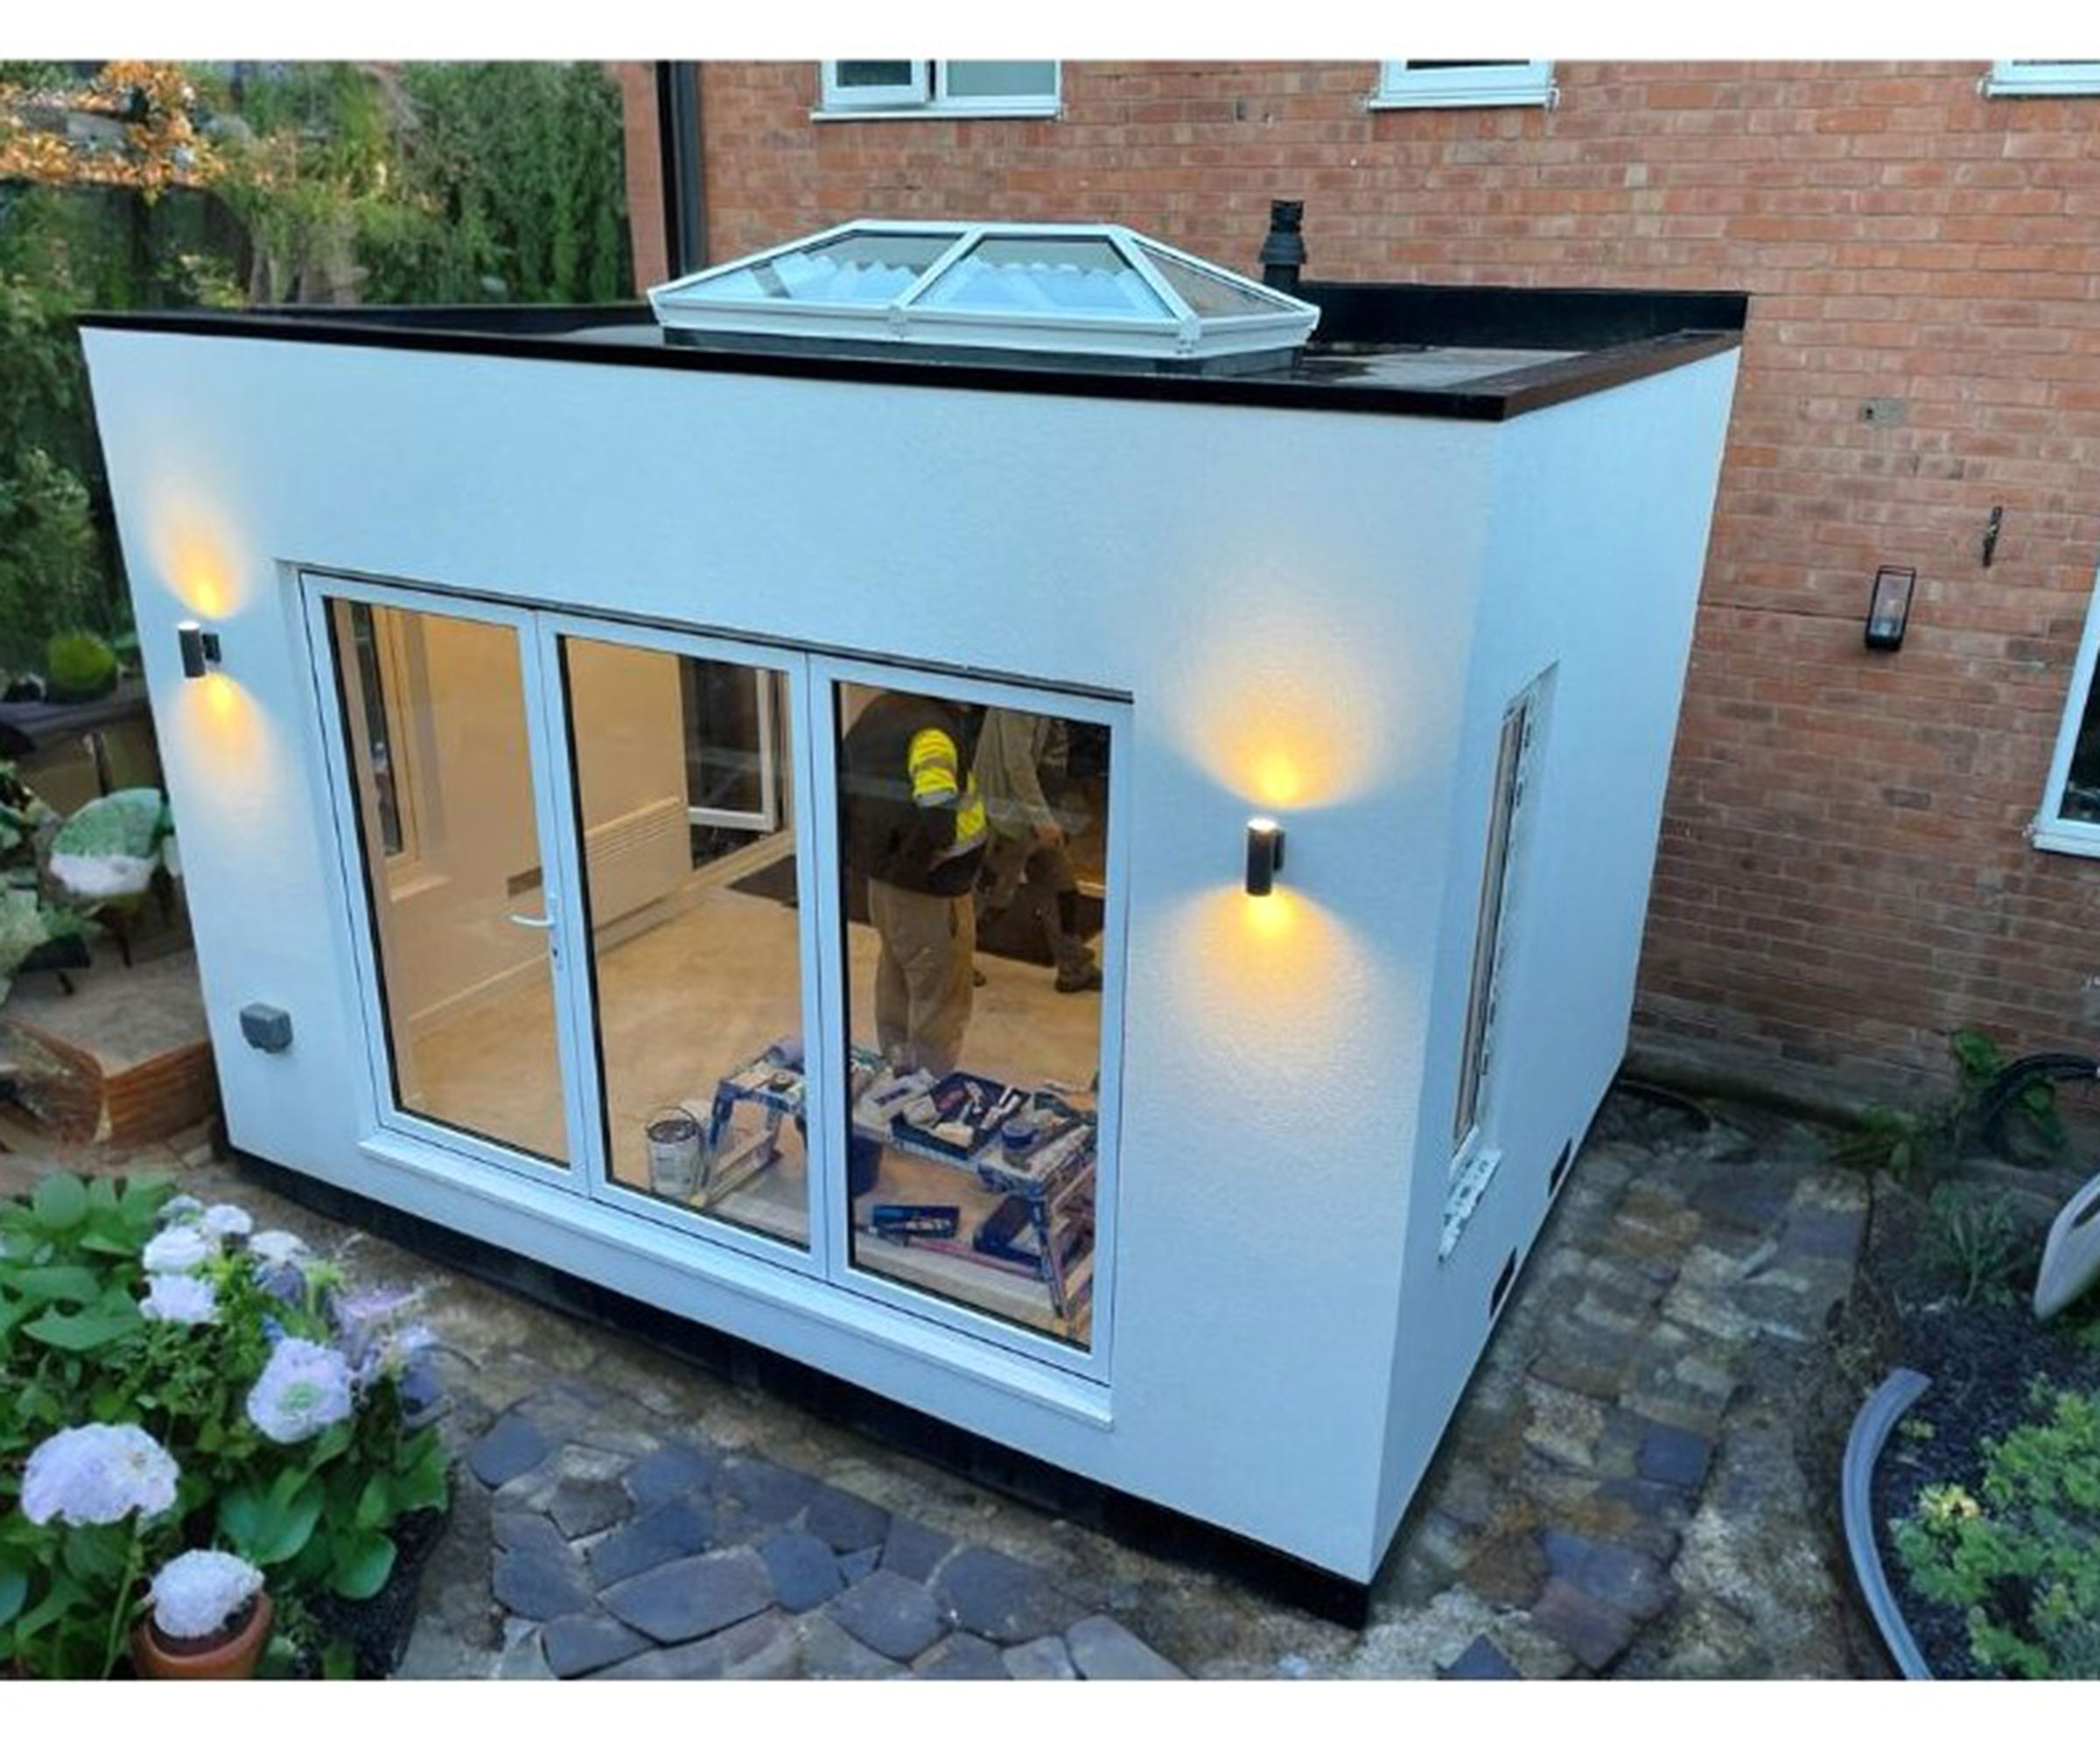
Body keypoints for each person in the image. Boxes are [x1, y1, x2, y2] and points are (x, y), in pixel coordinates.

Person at [840, 690, 987, 1076]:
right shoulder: (932, 732)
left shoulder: (883, 709)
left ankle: (896, 1074)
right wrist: (938, 848)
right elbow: (937, 809)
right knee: (939, 1000)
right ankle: (927, 1092)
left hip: (886, 883)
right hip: (930, 890)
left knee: (897, 976)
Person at [971, 707, 1102, 994]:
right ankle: (949, 963)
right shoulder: (1018, 701)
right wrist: (1042, 818)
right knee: (991, 899)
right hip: (1010, 817)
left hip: (1034, 812)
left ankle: (1074, 966)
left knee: (1062, 888)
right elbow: (1016, 763)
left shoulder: (1047, 698)